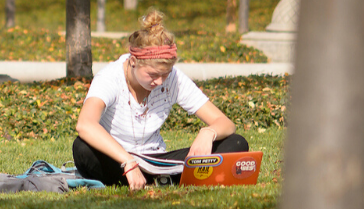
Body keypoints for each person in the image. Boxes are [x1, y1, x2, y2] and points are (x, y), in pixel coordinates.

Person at [71, 10, 249, 190]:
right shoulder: (110, 77)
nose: (160, 81)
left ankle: (155, 178)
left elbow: (225, 123)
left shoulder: (173, 78)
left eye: (166, 74)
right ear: (133, 61)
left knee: (236, 143)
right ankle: (169, 179)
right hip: (118, 160)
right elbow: (85, 124)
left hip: (157, 160)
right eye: (153, 75)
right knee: (82, 149)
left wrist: (208, 133)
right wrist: (128, 161)